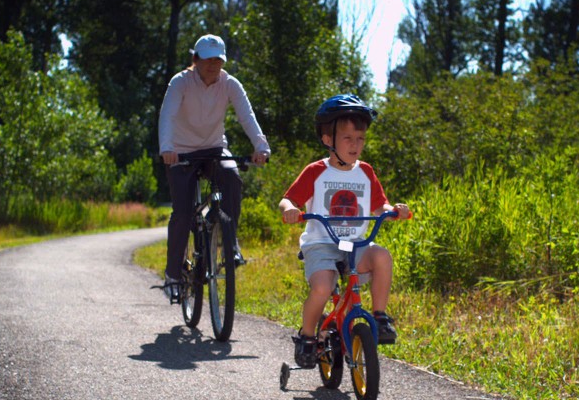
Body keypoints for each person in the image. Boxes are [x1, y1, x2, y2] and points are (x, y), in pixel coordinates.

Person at [278, 94, 410, 368]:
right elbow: (287, 199)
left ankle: (380, 316)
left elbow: (379, 205)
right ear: (328, 139)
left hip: (354, 243)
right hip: (321, 243)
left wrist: (393, 209)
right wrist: (289, 209)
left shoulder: (366, 172)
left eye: (360, 138)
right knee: (324, 286)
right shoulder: (316, 171)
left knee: (382, 256)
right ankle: (307, 336)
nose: (355, 145)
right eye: (348, 138)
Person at [158, 34, 270, 300]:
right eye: (207, 59)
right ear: (195, 59)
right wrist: (167, 148)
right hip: (181, 152)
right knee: (183, 213)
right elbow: (168, 115)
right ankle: (173, 274)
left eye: (218, 60)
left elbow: (247, 116)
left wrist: (261, 147)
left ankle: (228, 241)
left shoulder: (229, 84)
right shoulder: (180, 82)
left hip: (214, 148)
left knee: (232, 177)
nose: (212, 65)